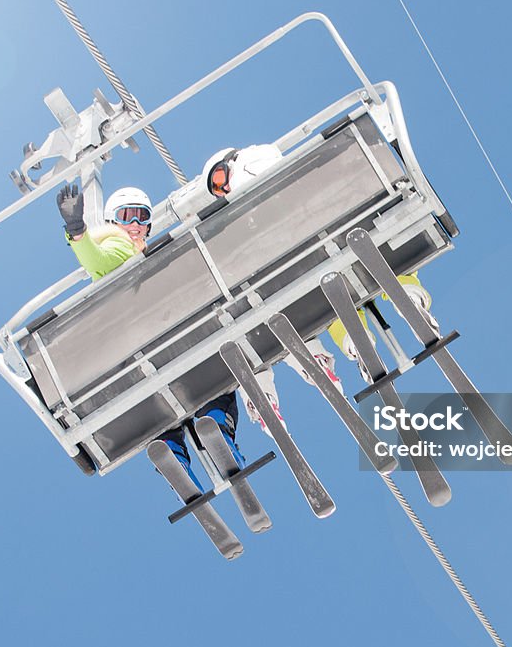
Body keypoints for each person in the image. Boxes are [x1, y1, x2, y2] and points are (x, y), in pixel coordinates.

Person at [56, 181, 242, 492]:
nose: (134, 225)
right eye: (126, 216)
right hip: (162, 343)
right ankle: (216, 424)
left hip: (140, 361)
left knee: (159, 409)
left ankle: (173, 451)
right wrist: (77, 231)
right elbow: (97, 260)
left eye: (141, 217)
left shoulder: (143, 253)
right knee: (219, 379)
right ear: (113, 221)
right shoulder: (118, 247)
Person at [202, 145, 439, 388]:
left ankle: (369, 332)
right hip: (329, 242)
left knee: (336, 293)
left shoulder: (250, 162)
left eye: (220, 180)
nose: (226, 189)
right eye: (219, 191)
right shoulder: (252, 179)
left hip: (320, 230)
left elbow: (259, 183)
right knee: (341, 295)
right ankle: (382, 323)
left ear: (229, 159)